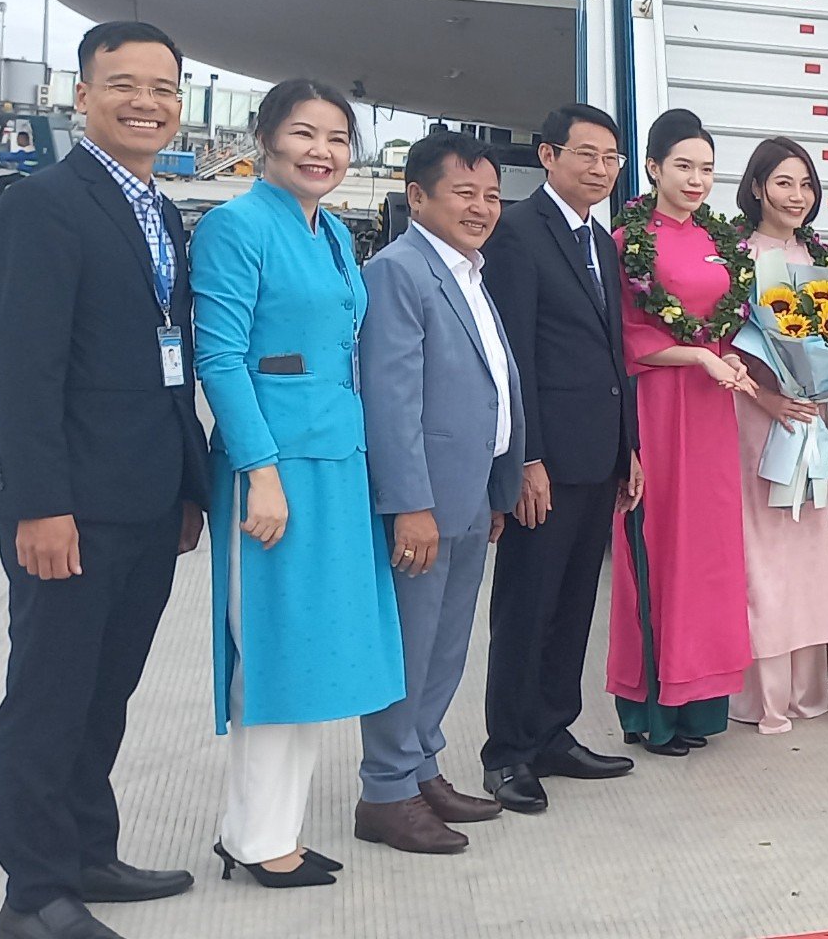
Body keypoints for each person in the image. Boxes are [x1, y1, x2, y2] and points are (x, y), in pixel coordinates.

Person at [0, 22, 209, 939]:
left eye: (162, 86)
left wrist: (188, 488)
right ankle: (34, 894)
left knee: (105, 690)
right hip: (69, 507)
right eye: (123, 84)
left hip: (147, 498)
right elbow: (23, 370)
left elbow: (172, 360)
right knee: (50, 695)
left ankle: (86, 853)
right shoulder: (44, 205)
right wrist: (41, 504)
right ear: (82, 95)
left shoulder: (160, 211)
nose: (144, 101)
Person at [190, 79, 405, 887]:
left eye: (338, 138)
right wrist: (260, 474)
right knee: (275, 650)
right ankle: (255, 838)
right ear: (265, 137)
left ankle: (268, 829)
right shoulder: (234, 227)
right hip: (276, 467)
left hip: (336, 460)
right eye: (305, 133)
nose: (323, 151)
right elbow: (221, 358)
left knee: (316, 653)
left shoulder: (332, 236)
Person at [353, 132, 525, 854]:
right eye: (464, 193)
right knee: (410, 645)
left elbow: (488, 386)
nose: (481, 207)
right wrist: (409, 503)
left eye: (490, 195)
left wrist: (497, 483)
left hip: (469, 494)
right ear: (416, 195)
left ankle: (422, 765)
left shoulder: (468, 272)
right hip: (424, 503)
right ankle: (386, 791)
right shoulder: (400, 270)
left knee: (447, 645)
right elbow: (391, 397)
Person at [478, 104, 643, 813]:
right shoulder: (517, 234)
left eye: (611, 159)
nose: (601, 170)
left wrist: (628, 446)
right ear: (548, 155)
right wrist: (527, 458)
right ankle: (507, 751)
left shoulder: (600, 241)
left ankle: (553, 732)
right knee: (528, 605)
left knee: (576, 603)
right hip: (546, 462)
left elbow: (614, 354)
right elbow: (512, 357)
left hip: (598, 454)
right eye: (587, 155)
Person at [607, 109, 761, 754]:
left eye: (705, 168)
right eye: (682, 166)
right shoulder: (628, 241)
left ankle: (699, 704)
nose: (696, 179)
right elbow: (623, 331)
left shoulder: (721, 239)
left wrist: (728, 356)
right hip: (656, 403)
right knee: (657, 548)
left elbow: (730, 321)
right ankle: (650, 710)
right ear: (652, 168)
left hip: (710, 409)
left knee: (708, 556)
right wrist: (696, 355)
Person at [725, 136, 828, 735]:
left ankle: (806, 689)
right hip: (755, 417)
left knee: (807, 551)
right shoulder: (737, 256)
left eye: (805, 184)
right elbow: (723, 347)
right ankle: (762, 695)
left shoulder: (819, 259)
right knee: (763, 552)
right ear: (756, 188)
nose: (797, 196)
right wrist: (768, 398)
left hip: (808, 417)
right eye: (783, 183)